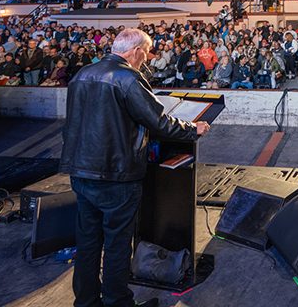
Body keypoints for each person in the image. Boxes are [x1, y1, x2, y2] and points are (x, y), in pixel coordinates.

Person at [60, 29, 210, 307]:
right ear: (136, 51)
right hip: (116, 175)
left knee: (88, 242)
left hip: (81, 172)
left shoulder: (82, 74)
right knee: (117, 245)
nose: (148, 59)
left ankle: (86, 302)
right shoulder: (128, 78)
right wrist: (194, 129)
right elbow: (159, 122)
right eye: (147, 52)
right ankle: (118, 302)